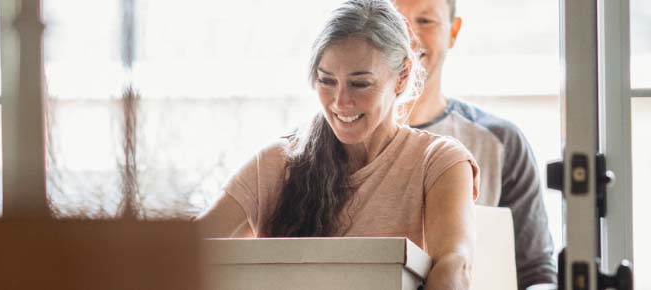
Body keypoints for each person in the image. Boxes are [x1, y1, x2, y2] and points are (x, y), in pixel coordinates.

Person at [196, 0, 481, 288]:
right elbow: (185, 254)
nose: (341, 102)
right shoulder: (277, 163)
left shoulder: (440, 161)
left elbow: (454, 264)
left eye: (360, 84)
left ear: (402, 76)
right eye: (327, 81)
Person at [392, 0, 557, 288]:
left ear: (453, 32)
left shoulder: (501, 143)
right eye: (394, 21)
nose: (408, 36)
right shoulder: (325, 145)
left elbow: (535, 272)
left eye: (426, 21)